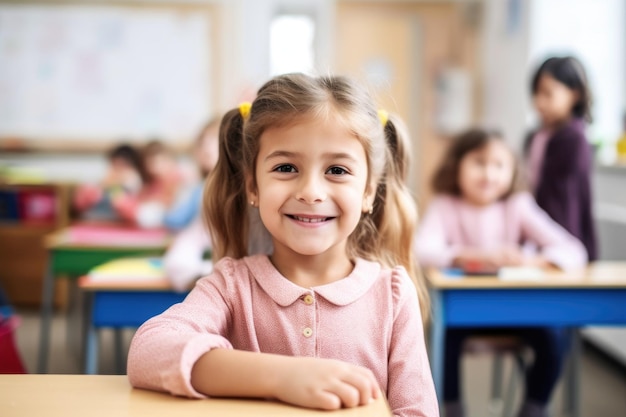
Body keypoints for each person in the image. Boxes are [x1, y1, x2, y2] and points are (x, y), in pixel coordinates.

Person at [128, 73, 438, 417]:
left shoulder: (393, 295)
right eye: (286, 167)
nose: (311, 191)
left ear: (368, 191)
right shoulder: (232, 285)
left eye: (336, 169)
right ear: (253, 186)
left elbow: (417, 411)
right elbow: (147, 350)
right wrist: (283, 377)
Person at [414, 128, 587, 417]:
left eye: (499, 165)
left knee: (554, 338)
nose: (489, 174)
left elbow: (574, 250)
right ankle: (453, 410)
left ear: (512, 171)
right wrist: (469, 255)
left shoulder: (518, 205)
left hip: (518, 314)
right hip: (462, 317)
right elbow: (420, 250)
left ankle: (532, 410)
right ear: (457, 165)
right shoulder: (445, 205)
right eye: (479, 162)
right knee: (442, 339)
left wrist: (529, 262)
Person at [524, 56, 597, 261]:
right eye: (537, 93)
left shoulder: (574, 138)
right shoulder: (535, 137)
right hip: (537, 230)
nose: (540, 102)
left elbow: (565, 200)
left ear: (575, 94)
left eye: (548, 93)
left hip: (564, 235)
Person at [163, 117, 221, 231]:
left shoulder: (205, 188)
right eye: (203, 142)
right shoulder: (200, 187)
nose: (206, 147)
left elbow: (177, 219)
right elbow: (177, 218)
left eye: (213, 140)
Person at [72, 143, 146, 221]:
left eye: (123, 167)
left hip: (119, 226)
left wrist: (116, 187)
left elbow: (131, 213)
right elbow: (78, 205)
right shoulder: (96, 183)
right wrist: (101, 186)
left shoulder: (134, 188)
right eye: (115, 166)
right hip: (90, 223)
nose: (118, 172)